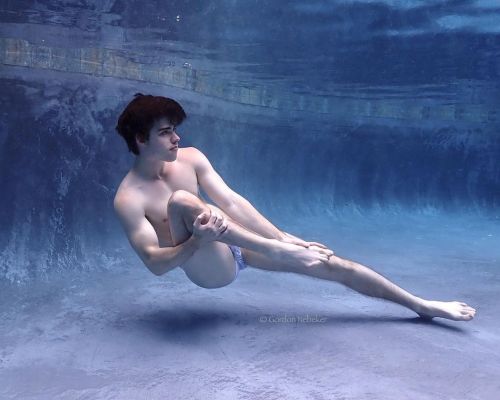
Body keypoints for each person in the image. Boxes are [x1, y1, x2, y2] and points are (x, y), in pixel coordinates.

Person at [113, 93, 476, 322]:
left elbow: (231, 201)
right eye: (165, 132)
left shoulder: (190, 158)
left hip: (240, 244)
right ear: (141, 140)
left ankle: (421, 305)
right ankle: (279, 249)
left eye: (175, 129)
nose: (177, 138)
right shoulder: (130, 198)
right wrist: (196, 242)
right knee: (182, 201)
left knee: (331, 263)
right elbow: (155, 264)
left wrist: (288, 239)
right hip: (208, 267)